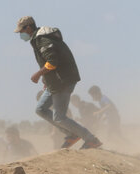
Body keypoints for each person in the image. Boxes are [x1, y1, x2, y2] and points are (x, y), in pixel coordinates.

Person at [14, 16, 102, 149]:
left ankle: (91, 139)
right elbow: (51, 62)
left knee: (59, 117)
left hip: (63, 81)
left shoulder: (42, 39)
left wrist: (38, 74)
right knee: (41, 109)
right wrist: (46, 79)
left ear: (28, 27)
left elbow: (52, 62)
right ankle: (72, 134)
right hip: (54, 82)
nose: (21, 34)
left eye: (21, 31)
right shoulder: (37, 39)